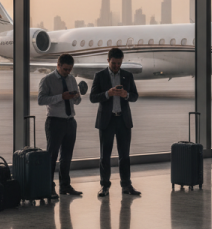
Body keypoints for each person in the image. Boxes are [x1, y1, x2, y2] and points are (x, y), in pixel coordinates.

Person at [90, 47, 140, 198]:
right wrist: (108, 93)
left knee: (124, 155)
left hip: (123, 121)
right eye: (114, 63)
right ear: (108, 61)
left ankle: (126, 185)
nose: (117, 66)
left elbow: (135, 96)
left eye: (119, 63)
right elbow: (92, 97)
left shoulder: (127, 76)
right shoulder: (100, 76)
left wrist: (126, 95)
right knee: (105, 156)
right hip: (107, 121)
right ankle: (104, 186)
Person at [37, 54, 83, 198]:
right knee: (52, 156)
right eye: (65, 69)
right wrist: (60, 97)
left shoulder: (72, 79)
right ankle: (49, 186)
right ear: (58, 65)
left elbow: (77, 102)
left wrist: (76, 97)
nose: (68, 72)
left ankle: (65, 185)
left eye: (70, 70)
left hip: (70, 121)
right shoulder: (47, 80)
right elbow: (40, 100)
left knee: (67, 156)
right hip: (55, 122)